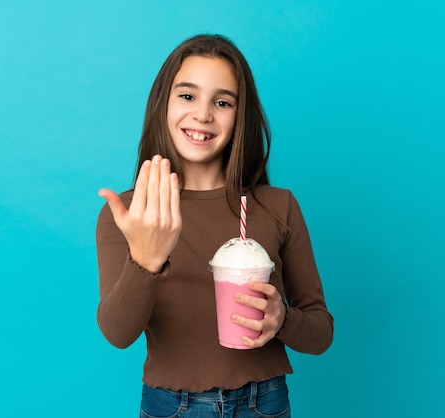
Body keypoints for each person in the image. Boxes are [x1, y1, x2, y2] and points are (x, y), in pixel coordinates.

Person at [96, 33, 333, 418]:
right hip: (172, 407)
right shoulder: (129, 212)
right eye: (187, 96)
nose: (203, 114)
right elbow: (117, 334)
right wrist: (146, 259)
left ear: (240, 115)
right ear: (163, 103)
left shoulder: (277, 206)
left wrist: (282, 320)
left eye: (222, 102)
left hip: (265, 403)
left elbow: (321, 333)